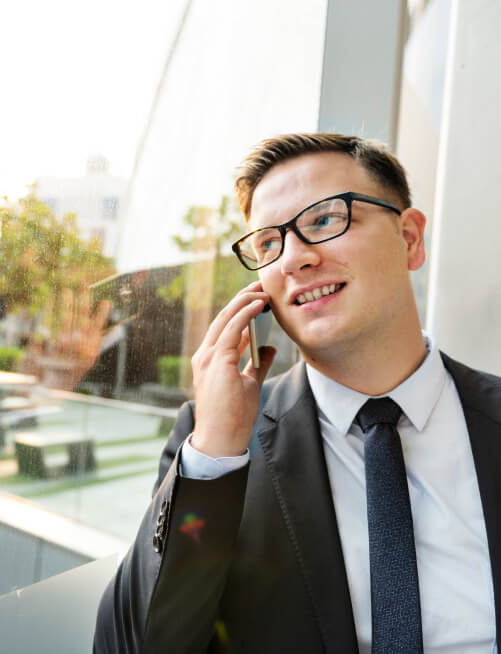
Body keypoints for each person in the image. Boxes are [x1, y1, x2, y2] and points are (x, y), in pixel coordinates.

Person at [93, 133, 501, 653]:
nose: (294, 259)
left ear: (410, 239)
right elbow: (133, 647)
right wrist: (216, 450)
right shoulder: (217, 446)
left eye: (325, 219)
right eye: (268, 243)